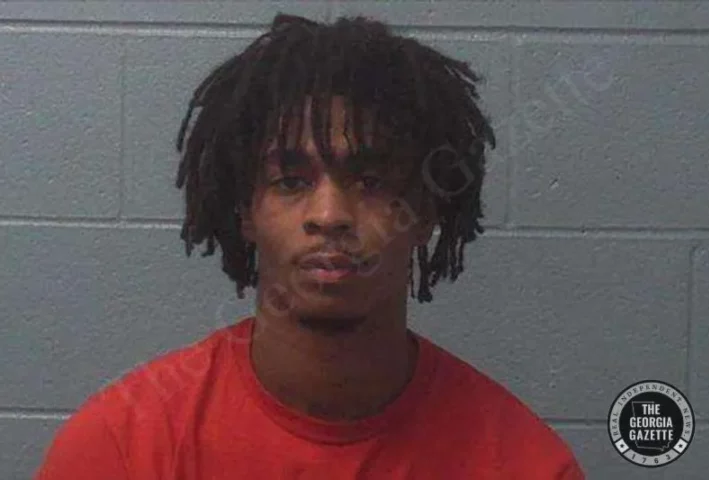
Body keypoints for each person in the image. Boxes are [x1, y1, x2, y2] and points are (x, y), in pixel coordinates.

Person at [35, 13, 584, 479]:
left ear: (425, 214)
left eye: (370, 181)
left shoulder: (524, 465)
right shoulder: (120, 451)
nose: (329, 215)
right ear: (245, 212)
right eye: (291, 181)